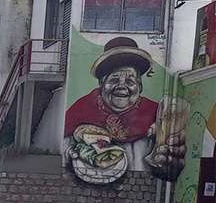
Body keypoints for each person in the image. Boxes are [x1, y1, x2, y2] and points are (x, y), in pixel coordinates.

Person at [63, 36, 185, 179]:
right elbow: (65, 146)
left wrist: (170, 162)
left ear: (140, 87)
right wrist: (71, 154)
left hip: (140, 189)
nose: (122, 86)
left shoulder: (158, 115)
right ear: (102, 83)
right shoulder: (82, 108)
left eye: (130, 81)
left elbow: (169, 161)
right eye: (114, 79)